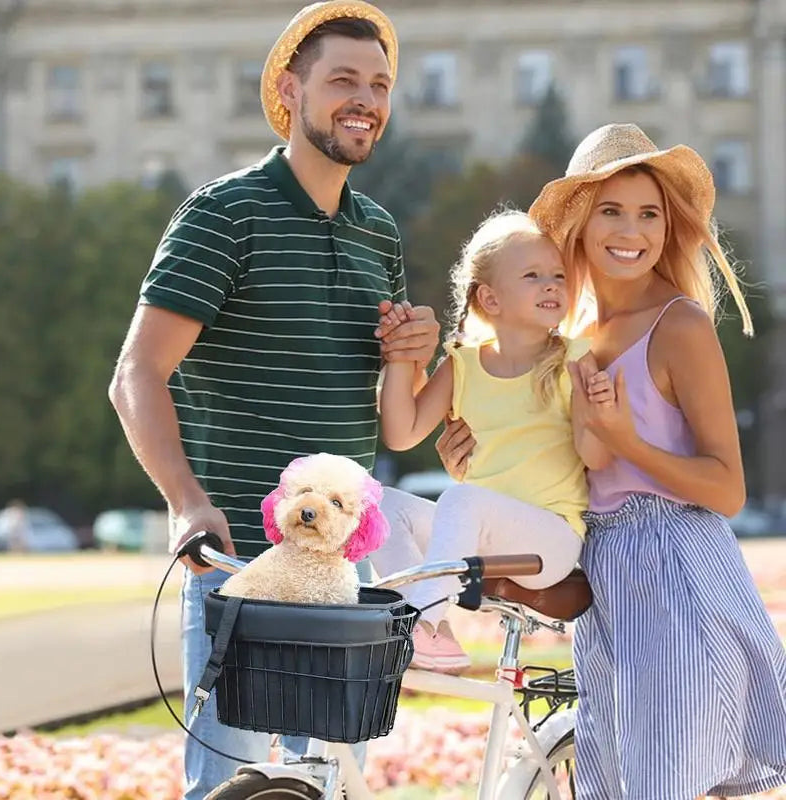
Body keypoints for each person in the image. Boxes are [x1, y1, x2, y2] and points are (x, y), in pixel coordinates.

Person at [108, 3, 439, 798]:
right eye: (343, 80)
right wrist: (186, 503)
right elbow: (135, 374)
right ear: (291, 90)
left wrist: (416, 357)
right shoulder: (225, 215)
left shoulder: (379, 232)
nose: (365, 99)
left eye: (380, 85)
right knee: (234, 788)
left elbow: (397, 420)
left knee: (329, 784)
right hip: (244, 574)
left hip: (343, 578)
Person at [440, 123, 786, 799]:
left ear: (668, 227)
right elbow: (554, 466)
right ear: (580, 223)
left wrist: (625, 438)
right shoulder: (572, 339)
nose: (633, 230)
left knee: (668, 779)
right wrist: (468, 467)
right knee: (617, 777)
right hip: (607, 575)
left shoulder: (678, 325)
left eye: (649, 213)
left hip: (677, 568)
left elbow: (727, 490)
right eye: (612, 210)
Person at [372, 210, 615, 673]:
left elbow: (596, 455)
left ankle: (417, 621)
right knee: (378, 505)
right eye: (533, 276)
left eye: (559, 276)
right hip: (479, 535)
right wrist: (402, 356)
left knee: (463, 500)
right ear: (490, 298)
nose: (551, 285)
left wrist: (598, 409)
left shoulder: (575, 358)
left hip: (549, 540)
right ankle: (434, 634)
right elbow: (402, 434)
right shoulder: (462, 364)